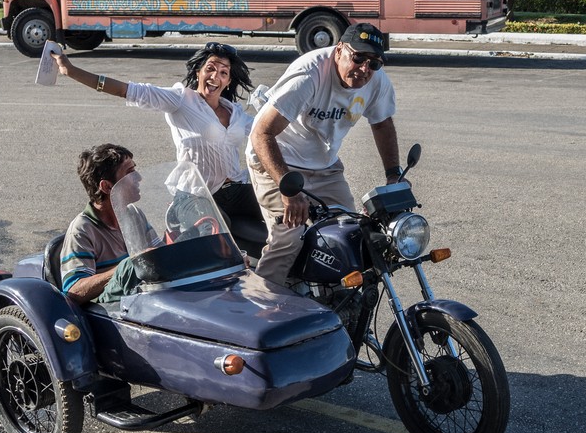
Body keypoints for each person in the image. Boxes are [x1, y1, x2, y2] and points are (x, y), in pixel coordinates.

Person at [51, 43, 264, 240]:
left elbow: (267, 131)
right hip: (194, 196)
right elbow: (126, 90)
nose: (215, 76)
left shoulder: (235, 112)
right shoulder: (181, 100)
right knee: (214, 229)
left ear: (228, 81)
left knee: (280, 201)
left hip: (235, 190)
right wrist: (71, 71)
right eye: (210, 68)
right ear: (198, 72)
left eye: (223, 72)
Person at [246, 23, 401, 285]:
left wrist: (393, 176)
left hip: (324, 165)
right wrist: (289, 191)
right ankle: (263, 302)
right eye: (358, 58)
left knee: (351, 234)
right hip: (278, 160)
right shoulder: (310, 74)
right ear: (339, 50)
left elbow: (382, 124)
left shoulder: (376, 81)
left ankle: (333, 300)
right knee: (290, 237)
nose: (365, 69)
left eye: (374, 63)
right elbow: (262, 133)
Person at [60, 143, 160, 305]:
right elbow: (74, 290)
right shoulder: (81, 229)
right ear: (107, 186)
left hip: (143, 300)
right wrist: (128, 267)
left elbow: (160, 254)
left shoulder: (134, 214)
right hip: (109, 311)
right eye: (130, 173)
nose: (139, 178)